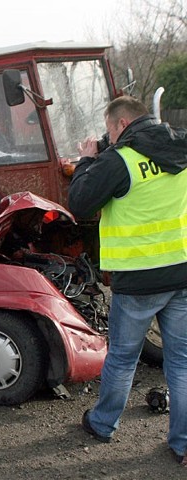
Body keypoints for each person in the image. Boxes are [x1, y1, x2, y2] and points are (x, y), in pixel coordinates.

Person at [68, 96, 187, 465]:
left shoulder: (119, 161)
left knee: (122, 359)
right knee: (181, 363)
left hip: (138, 282)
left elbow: (80, 203)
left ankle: (103, 424)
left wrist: (88, 159)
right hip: (182, 273)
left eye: (109, 130)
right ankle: (183, 443)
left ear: (120, 125)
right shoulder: (181, 149)